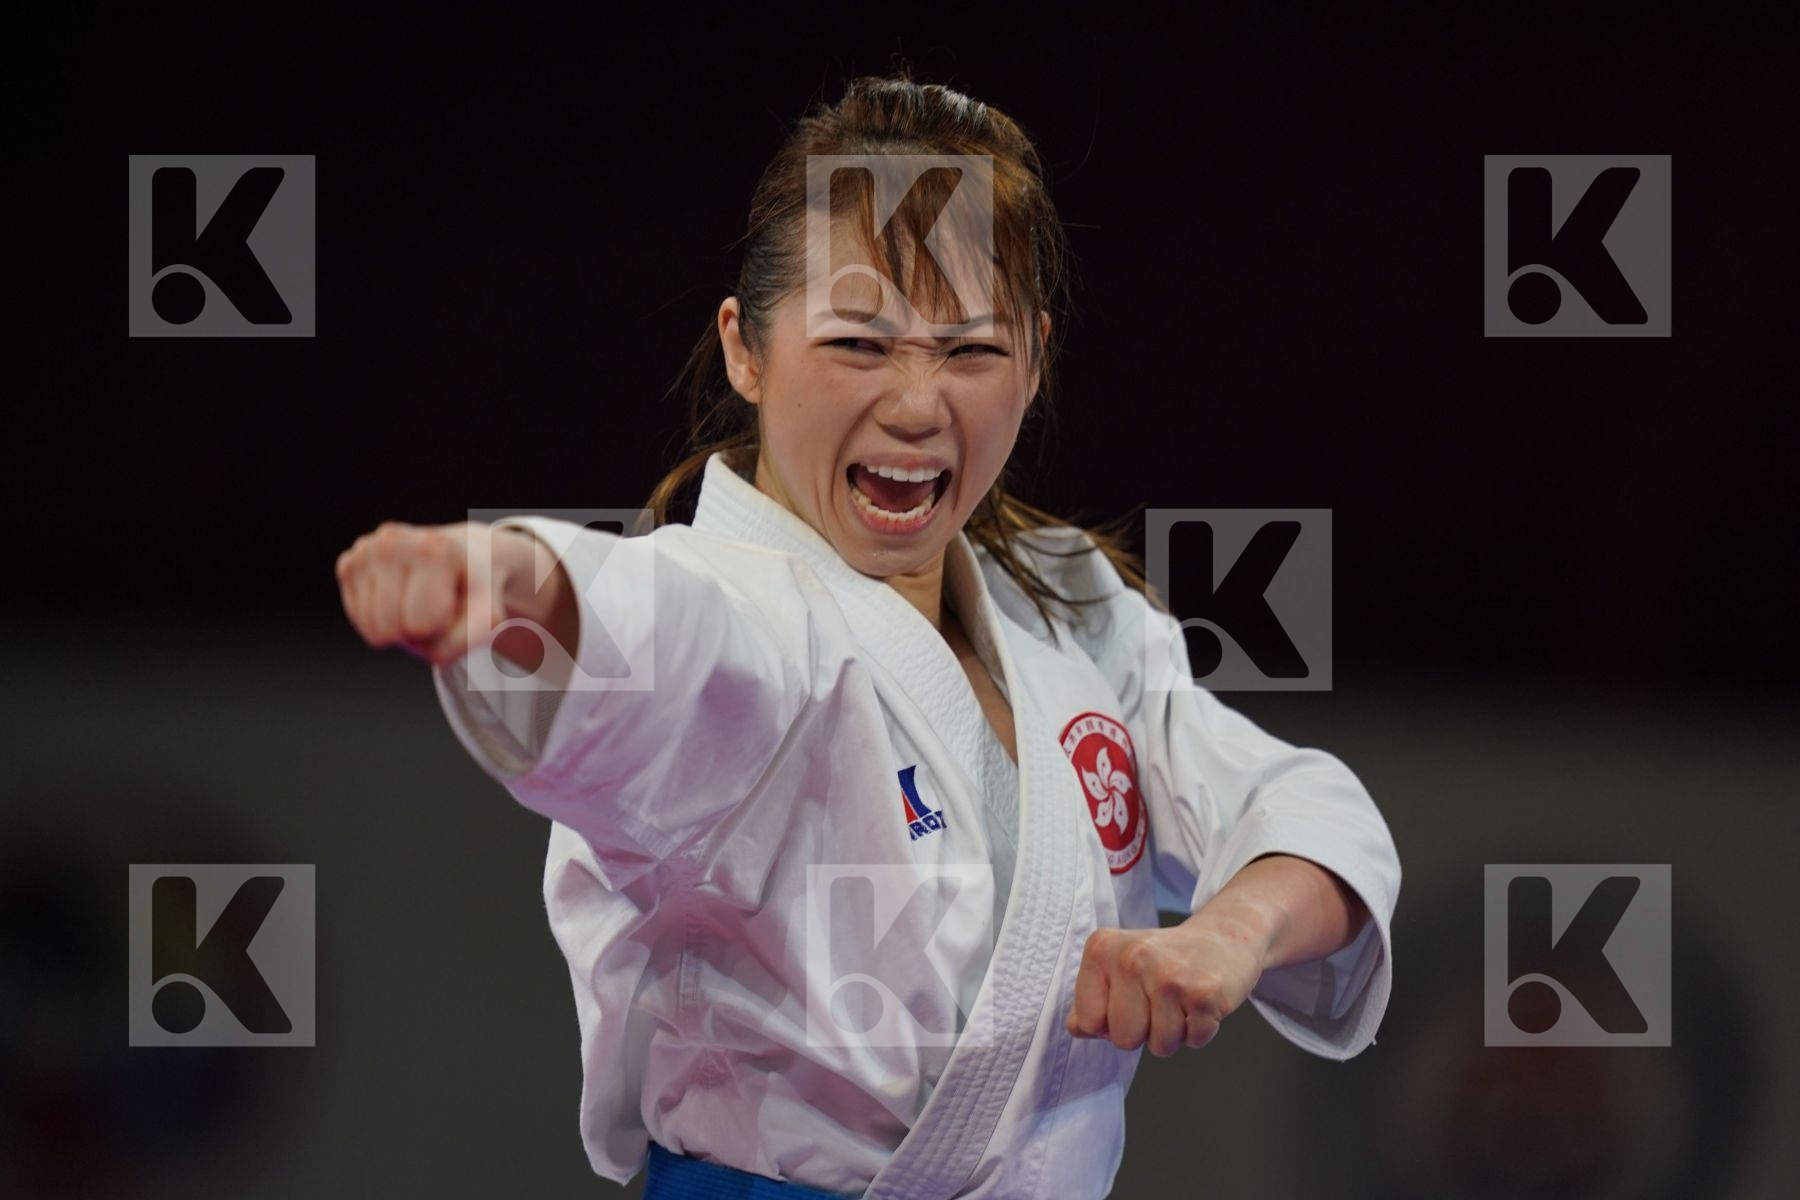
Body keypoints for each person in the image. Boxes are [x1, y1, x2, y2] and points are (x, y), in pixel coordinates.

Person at [335, 70, 1400, 1200]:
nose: (915, 402)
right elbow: (645, 639)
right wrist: (511, 582)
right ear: (748, 349)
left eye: (971, 351)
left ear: (1035, 360)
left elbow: (1298, 805)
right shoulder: (736, 609)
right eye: (859, 342)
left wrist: (1224, 934)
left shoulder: (1070, 608)